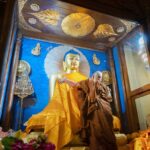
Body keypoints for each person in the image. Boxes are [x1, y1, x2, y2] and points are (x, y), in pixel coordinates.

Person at [25, 50, 87, 150]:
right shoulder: (57, 77)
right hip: (59, 107)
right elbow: (53, 100)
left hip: (81, 107)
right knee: (52, 117)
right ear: (64, 63)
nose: (74, 61)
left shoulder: (85, 79)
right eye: (71, 58)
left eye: (77, 59)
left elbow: (88, 96)